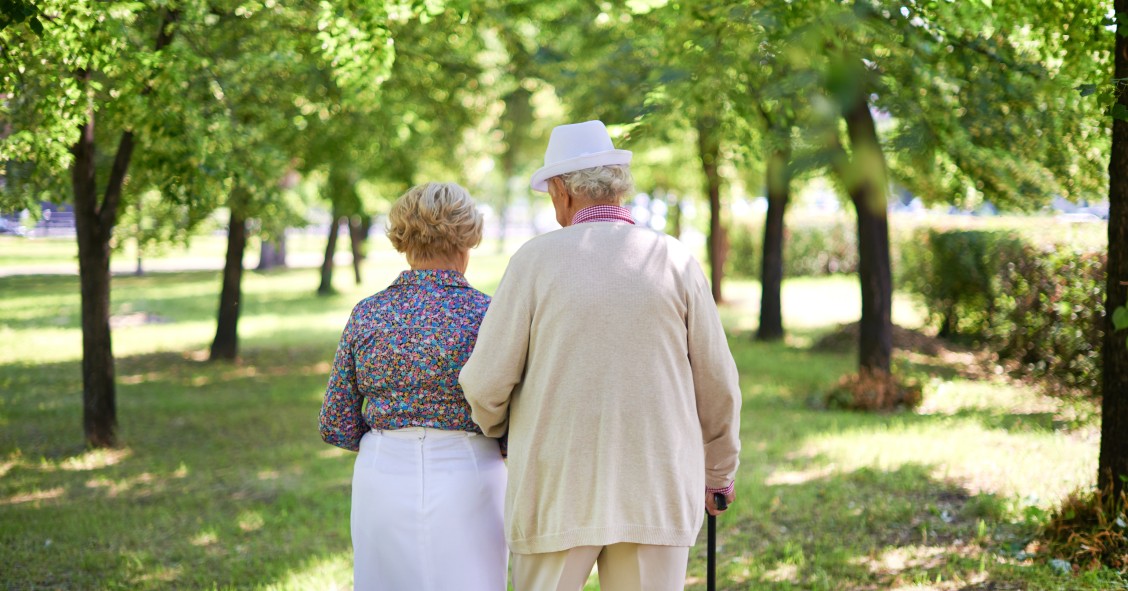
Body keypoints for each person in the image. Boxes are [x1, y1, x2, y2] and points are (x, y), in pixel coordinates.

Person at [459, 120, 742, 591]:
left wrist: (502, 430)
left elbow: (486, 382)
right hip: (655, 487)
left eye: (550, 194)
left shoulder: (533, 262)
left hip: (556, 487)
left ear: (562, 192)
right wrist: (718, 473)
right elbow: (717, 381)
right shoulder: (673, 259)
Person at [319, 182, 506, 591]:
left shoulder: (368, 314)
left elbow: (336, 421)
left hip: (383, 470)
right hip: (471, 471)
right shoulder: (490, 315)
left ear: (403, 241)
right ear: (468, 239)